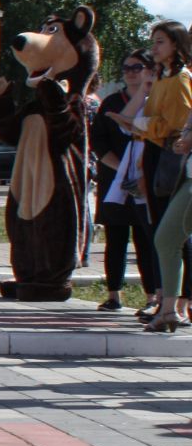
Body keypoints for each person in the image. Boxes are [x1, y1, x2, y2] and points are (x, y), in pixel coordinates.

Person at [94, 51, 159, 313]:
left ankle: (152, 295)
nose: (131, 72)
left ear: (147, 70)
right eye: (127, 67)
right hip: (115, 179)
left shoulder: (154, 100)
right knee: (116, 238)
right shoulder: (111, 102)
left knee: (146, 240)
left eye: (137, 67)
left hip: (146, 178)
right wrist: (121, 169)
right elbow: (99, 142)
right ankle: (114, 295)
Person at [144, 22, 192, 331]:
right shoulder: (175, 77)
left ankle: (172, 308)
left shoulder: (183, 79)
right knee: (166, 237)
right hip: (187, 175)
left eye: (161, 41)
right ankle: (169, 310)